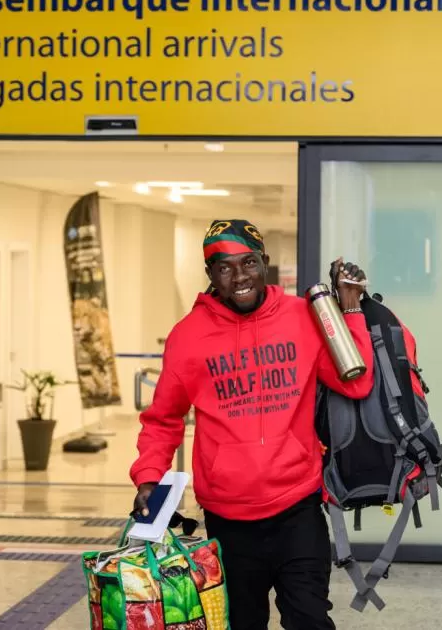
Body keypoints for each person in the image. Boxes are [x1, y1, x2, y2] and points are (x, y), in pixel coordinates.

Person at [129, 219, 375, 630]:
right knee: (243, 623)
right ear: (210, 274)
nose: (239, 277)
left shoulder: (303, 318)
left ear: (265, 262)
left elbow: (357, 383)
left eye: (248, 264)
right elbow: (163, 419)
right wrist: (149, 477)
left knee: (311, 620)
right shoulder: (188, 337)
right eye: (224, 267)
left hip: (298, 509)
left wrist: (349, 311)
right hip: (228, 519)